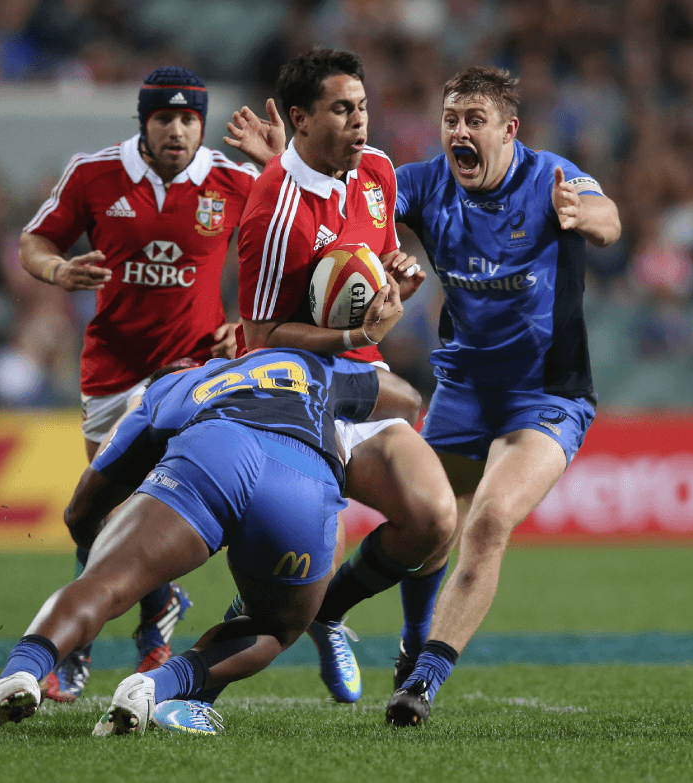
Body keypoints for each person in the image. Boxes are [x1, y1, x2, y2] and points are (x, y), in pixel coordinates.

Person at [0, 330, 425, 742]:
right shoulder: (303, 364)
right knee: (276, 626)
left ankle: (21, 671)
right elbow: (407, 397)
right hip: (302, 477)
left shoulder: (172, 388)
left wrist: (94, 540)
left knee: (103, 585)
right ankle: (156, 686)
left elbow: (85, 502)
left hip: (214, 450)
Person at [382, 65, 622, 726]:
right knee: (428, 526)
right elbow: (350, 206)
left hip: (546, 393)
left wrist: (585, 215)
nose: (460, 131)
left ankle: (422, 682)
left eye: (475, 121)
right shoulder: (424, 182)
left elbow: (609, 218)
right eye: (452, 119)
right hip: (461, 384)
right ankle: (412, 640)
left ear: (508, 130)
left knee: (487, 522)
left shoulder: (551, 177)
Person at [18, 66, 259, 702]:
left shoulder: (236, 181)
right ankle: (158, 611)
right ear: (143, 124)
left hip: (189, 373)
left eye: (189, 120)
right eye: (164, 119)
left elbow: (282, 263)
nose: (177, 131)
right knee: (98, 517)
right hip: (111, 371)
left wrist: (247, 330)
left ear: (201, 125)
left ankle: (77, 653)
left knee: (146, 508)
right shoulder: (93, 173)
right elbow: (34, 240)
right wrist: (57, 269)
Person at [225, 48, 456, 708]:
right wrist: (356, 332)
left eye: (362, 107)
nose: (360, 122)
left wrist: (394, 276)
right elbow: (261, 336)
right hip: (298, 394)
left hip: (364, 377)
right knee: (289, 590)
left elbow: (371, 258)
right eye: (341, 110)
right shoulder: (272, 209)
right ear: (302, 118)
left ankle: (405, 651)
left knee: (437, 518)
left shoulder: (379, 172)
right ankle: (175, 685)